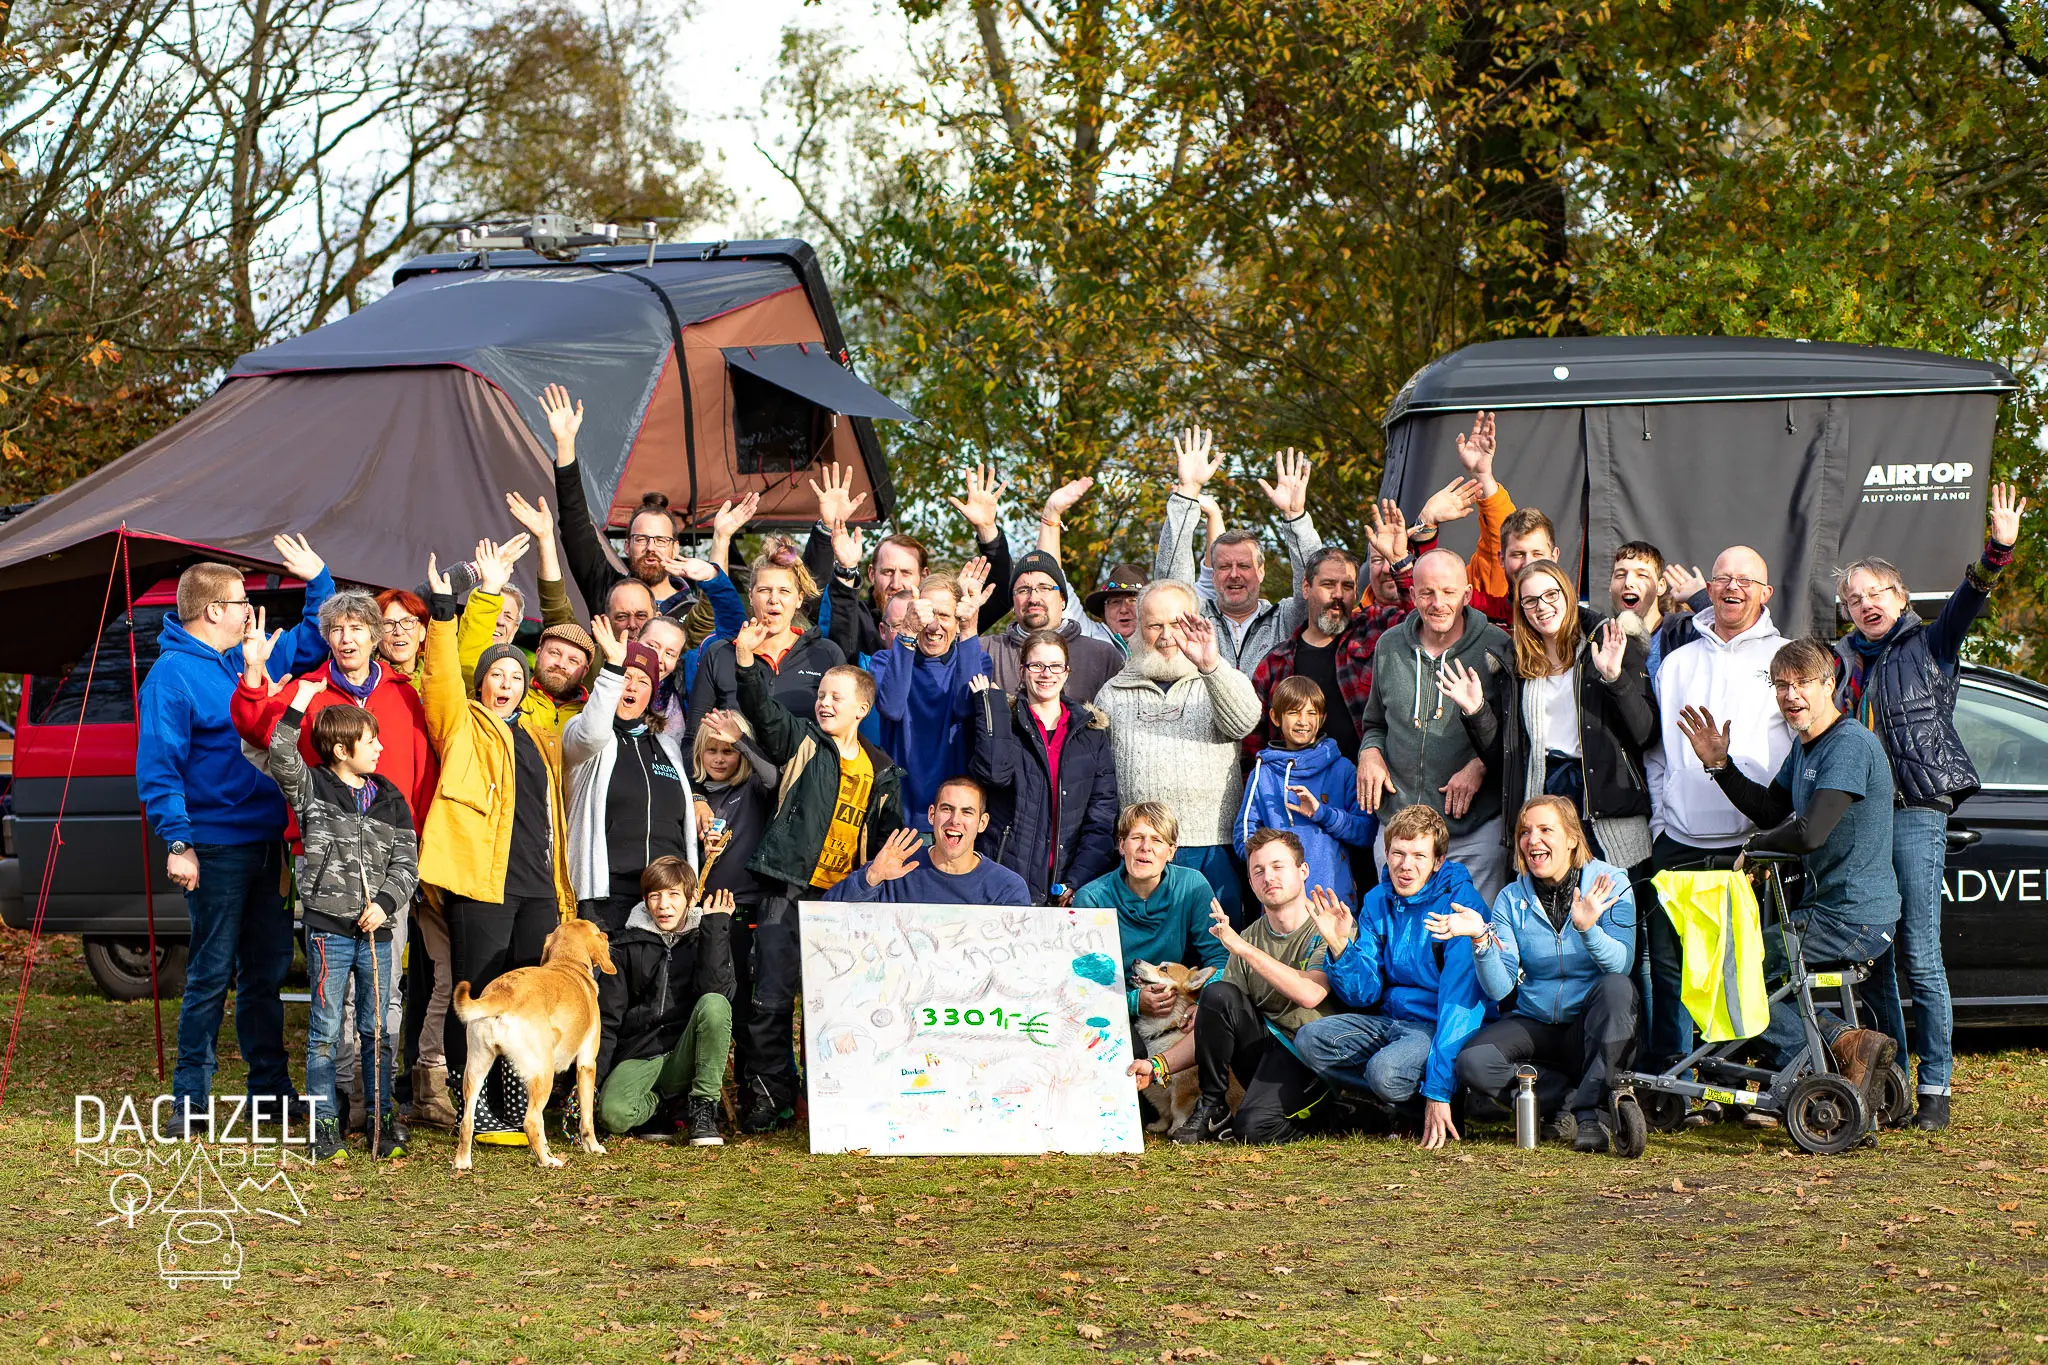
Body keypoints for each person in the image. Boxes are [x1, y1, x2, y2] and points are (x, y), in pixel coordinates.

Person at [1831, 485, 2023, 1129]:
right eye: (1854, 599)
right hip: (1862, 819)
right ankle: (1891, 1084)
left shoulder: (1929, 644)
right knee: (1875, 953)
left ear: (1901, 598)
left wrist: (1996, 552)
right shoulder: (1841, 663)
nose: (1865, 605)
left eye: (1876, 595)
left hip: (1915, 810)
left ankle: (1936, 1088)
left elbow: (1971, 600)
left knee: (1919, 952)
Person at [136, 535, 335, 1139]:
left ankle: (269, 1095)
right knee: (209, 974)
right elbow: (160, 767)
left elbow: (312, 637)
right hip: (214, 846)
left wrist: (319, 579)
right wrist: (178, 842)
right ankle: (189, 1101)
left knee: (267, 972)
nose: (251, 609)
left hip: (265, 844)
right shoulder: (171, 678)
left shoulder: (250, 659)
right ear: (212, 610)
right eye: (241, 600)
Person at [1676, 638, 1904, 1124]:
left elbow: (1810, 831)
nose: (1790, 694)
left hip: (1852, 918)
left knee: (1735, 973)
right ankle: (1845, 1042)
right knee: (1750, 968)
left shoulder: (1847, 745)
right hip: (1830, 914)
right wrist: (1719, 764)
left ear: (1830, 685)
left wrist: (1753, 848)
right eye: (1781, 684)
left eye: (1802, 683)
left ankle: (1841, 1045)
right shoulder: (1806, 748)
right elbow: (1770, 808)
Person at [419, 551, 577, 1145]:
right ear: (481, 684)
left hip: (539, 887)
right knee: (481, 995)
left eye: (516, 676)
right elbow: (441, 677)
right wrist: (456, 607)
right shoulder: (462, 725)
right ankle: (476, 1108)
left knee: (529, 996)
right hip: (482, 884)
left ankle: (520, 1107)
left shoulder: (541, 737)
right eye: (496, 675)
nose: (506, 683)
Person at [732, 625, 905, 1133]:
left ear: (862, 709)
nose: (825, 703)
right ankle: (766, 1098)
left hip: (845, 899)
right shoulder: (803, 741)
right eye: (821, 694)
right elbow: (764, 714)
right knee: (771, 997)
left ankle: (835, 1096)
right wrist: (746, 666)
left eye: (836, 696)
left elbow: (887, 838)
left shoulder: (882, 768)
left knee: (841, 1003)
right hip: (787, 891)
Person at [1642, 545, 1792, 1083]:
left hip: (1748, 842)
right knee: (1669, 964)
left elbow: (1800, 751)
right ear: (1708, 585)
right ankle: (1673, 1083)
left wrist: (1772, 832)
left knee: (1740, 969)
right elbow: (1657, 751)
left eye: (1745, 580)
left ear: (1766, 593)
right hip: (1678, 837)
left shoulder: (1785, 659)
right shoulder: (1679, 660)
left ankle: (1734, 1081)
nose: (1733, 588)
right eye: (1723, 577)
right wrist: (1661, 821)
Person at [268, 685, 419, 1162]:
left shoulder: (391, 798)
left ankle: (382, 1121)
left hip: (377, 934)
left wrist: (388, 902)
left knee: (378, 1029)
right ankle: (324, 1127)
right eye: (370, 741)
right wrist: (299, 700)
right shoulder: (312, 788)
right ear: (340, 750)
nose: (380, 747)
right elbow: (278, 751)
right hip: (327, 933)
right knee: (325, 1031)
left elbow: (407, 864)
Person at [1445, 796, 1640, 1152]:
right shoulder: (1509, 898)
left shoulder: (1611, 884)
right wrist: (1481, 941)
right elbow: (1500, 987)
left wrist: (1588, 928)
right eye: (1525, 831)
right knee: (1474, 1062)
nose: (1532, 840)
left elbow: (1620, 966)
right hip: (1536, 1021)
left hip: (1590, 1024)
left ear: (1571, 838)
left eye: (1545, 829)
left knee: (1617, 989)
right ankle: (1572, 1099)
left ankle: (1589, 1115)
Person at [1291, 804, 1489, 1148]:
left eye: (1418, 855)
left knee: (1384, 1071)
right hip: (1390, 1020)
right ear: (1386, 853)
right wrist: (1340, 946)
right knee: (1310, 1039)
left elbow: (1461, 1005)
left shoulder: (1460, 903)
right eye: (1398, 853)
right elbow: (1363, 994)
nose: (1406, 865)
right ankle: (1395, 1102)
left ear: (1438, 861)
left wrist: (1440, 1090)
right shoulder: (1377, 899)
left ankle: (1444, 1101)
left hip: (1437, 1025)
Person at [1451, 560, 1656, 879]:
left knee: (1609, 912)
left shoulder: (1609, 644)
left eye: (1551, 594)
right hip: (1543, 794)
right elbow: (1505, 761)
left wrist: (1615, 678)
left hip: (1602, 800)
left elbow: (1645, 734)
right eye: (1530, 600)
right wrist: (1477, 711)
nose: (1542, 607)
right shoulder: (1514, 665)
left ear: (1569, 595)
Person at [1139, 829, 1338, 1146]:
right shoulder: (1249, 936)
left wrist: (1243, 950)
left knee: (1254, 1130)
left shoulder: (1331, 924)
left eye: (1277, 866)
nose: (1267, 877)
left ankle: (1340, 1113)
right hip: (1267, 1053)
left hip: (1315, 1057)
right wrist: (1157, 1065)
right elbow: (1214, 1024)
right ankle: (1212, 1106)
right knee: (1217, 996)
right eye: (1257, 870)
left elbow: (1310, 994)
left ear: (1303, 871)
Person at [1095, 579, 1262, 923]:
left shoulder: (1218, 676)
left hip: (1212, 846)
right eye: (1155, 624)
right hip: (1142, 848)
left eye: (1176, 623)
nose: (1166, 634)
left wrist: (1211, 667)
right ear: (1139, 629)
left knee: (1217, 949)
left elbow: (1244, 723)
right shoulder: (1112, 691)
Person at [1356, 547, 1514, 901]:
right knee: (1400, 946)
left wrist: (1480, 766)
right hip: (1400, 835)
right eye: (1426, 592)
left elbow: (1515, 734)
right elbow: (1375, 724)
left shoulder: (1498, 648)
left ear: (1468, 596)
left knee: (1471, 943)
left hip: (1473, 833)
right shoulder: (1389, 646)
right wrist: (1370, 753)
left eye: (1448, 592)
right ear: (1412, 595)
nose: (1437, 602)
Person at [539, 382, 753, 620]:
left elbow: (716, 602)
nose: (651, 548)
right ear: (627, 546)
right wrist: (565, 445)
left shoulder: (691, 610)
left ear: (675, 547)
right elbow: (575, 527)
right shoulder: (606, 588)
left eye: (661, 540)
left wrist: (721, 539)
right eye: (641, 539)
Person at [562, 621, 698, 933]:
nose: (631, 687)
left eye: (642, 681)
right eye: (625, 677)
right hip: (608, 895)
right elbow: (592, 732)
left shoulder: (666, 746)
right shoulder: (583, 735)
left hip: (668, 900)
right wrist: (611, 667)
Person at [965, 631, 1119, 903]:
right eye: (1036, 665)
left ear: (1067, 671)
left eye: (1055, 666)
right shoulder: (1006, 723)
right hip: (1008, 877)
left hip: (1068, 881)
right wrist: (994, 710)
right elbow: (993, 774)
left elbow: (1101, 815)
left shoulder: (1090, 732)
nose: (1046, 673)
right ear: (1022, 670)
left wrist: (1079, 880)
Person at [1153, 432, 1324, 675]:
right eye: (1224, 567)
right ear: (1213, 575)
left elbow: (1317, 586)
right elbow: (1169, 584)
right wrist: (1188, 493)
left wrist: (1295, 517)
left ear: (1261, 571)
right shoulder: (1194, 618)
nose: (1234, 574)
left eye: (1244, 566)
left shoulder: (1284, 619)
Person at [595, 857, 737, 1146]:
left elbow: (717, 995)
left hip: (685, 1053)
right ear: (645, 900)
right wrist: (592, 1085)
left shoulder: (705, 936)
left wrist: (715, 928)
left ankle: (703, 1108)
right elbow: (607, 1020)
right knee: (614, 1116)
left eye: (673, 895)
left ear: (692, 898)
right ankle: (661, 1106)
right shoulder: (625, 946)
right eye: (654, 896)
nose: (663, 905)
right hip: (639, 1053)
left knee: (715, 1004)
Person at [809, 460, 1016, 655]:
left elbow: (1002, 593)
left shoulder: (945, 620)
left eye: (906, 572)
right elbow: (812, 597)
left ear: (924, 575)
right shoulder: (853, 615)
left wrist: (987, 530)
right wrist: (827, 528)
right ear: (872, 573)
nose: (896, 583)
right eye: (887, 572)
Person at [1072, 802, 1228, 1027]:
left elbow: (1219, 959)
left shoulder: (1192, 886)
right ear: (1122, 845)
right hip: (1113, 1013)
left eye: (1157, 840)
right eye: (1137, 838)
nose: (1146, 847)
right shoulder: (1092, 899)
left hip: (1176, 1011)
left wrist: (1200, 1004)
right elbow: (1085, 984)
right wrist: (1134, 1003)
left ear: (1171, 852)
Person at [1235, 676, 1375, 909]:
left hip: (1334, 903)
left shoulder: (1343, 769)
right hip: (1280, 909)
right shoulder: (1263, 772)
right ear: (1275, 717)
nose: (1303, 721)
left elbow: (1366, 831)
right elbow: (1244, 835)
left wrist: (1323, 813)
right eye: (1293, 712)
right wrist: (1269, 867)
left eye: (1311, 713)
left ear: (1323, 718)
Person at [690, 538, 847, 744]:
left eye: (784, 591)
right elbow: (693, 737)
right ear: (751, 596)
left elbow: (842, 736)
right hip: (734, 774)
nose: (774, 599)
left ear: (799, 599)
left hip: (804, 774)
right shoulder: (719, 654)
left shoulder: (826, 654)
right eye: (764, 590)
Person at [870, 568, 995, 828]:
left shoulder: (976, 659)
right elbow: (892, 708)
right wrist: (906, 632)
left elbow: (965, 707)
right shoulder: (887, 660)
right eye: (928, 614)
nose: (935, 626)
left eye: (945, 615)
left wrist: (970, 629)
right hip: (900, 813)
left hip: (953, 817)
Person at [825, 777, 1033, 906]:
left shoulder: (1006, 888)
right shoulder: (896, 868)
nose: (955, 820)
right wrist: (871, 877)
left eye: (967, 812)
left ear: (982, 822)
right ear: (932, 815)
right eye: (947, 809)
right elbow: (826, 916)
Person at [983, 551, 1125, 703]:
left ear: (1062, 599)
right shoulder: (986, 651)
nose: (1034, 599)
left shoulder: (1103, 656)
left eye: (1044, 588)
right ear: (1012, 602)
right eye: (1023, 590)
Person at [375, 589, 430, 689]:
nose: (399, 632)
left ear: (422, 632)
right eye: (388, 623)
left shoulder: (438, 680)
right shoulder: (361, 678)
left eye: (407, 621)